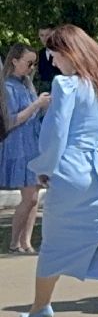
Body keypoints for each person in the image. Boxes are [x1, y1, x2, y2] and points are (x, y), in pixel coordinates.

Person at [16, 25, 98, 317]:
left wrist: (45, 167)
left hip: (71, 170)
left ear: (70, 53)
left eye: (54, 55)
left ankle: (40, 306)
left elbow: (56, 133)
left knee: (54, 243)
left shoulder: (66, 86)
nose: (53, 62)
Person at [3, 43, 50, 253]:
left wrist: (44, 107)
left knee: (34, 197)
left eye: (34, 64)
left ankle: (26, 242)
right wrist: (36, 105)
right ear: (14, 61)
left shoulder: (26, 85)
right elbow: (12, 120)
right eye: (28, 63)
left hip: (32, 145)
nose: (32, 68)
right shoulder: (7, 87)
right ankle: (14, 242)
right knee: (30, 197)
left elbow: (34, 116)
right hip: (18, 146)